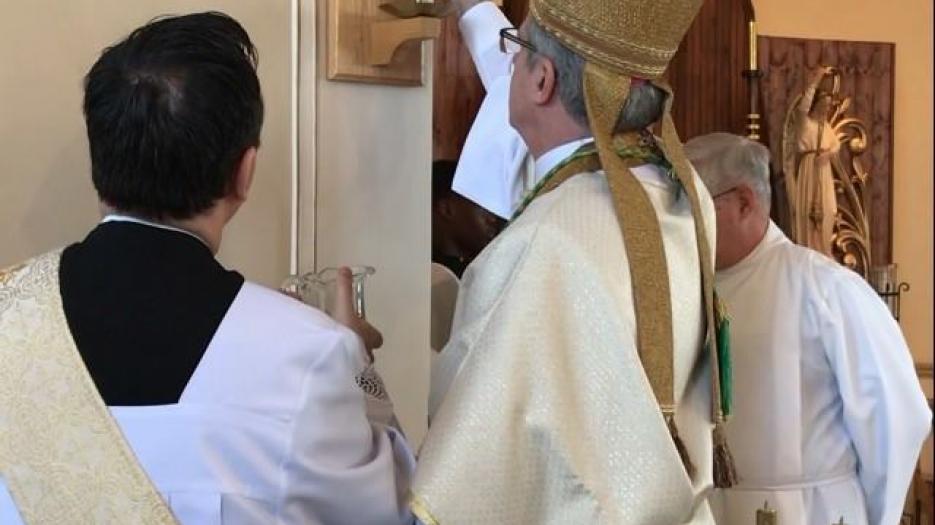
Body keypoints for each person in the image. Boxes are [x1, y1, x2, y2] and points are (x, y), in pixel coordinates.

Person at [0, 12, 414, 524]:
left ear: (98, 162)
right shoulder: (309, 355)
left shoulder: (9, 314)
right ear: (245, 171)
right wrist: (362, 374)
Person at [412, 0, 733, 522]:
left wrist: (358, 373)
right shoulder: (679, 191)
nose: (509, 64)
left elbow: (475, 441)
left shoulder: (544, 244)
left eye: (516, 52)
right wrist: (474, 10)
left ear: (542, 81)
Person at [684, 133, 931, 525]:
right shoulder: (685, 294)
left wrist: (864, 512)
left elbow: (896, 417)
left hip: (813, 511)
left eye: (692, 208)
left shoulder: (827, 290)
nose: (681, 225)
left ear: (745, 202)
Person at [432, 160, 504, 278]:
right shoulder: (431, 281)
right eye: (484, 208)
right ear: (447, 209)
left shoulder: (489, 269)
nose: (493, 219)